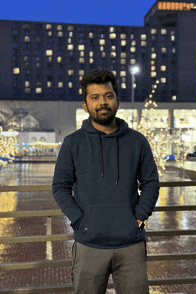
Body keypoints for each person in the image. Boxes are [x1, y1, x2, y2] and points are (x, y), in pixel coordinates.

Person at [52, 69, 160, 294]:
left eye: (108, 96)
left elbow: (150, 182)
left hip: (130, 244)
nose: (103, 102)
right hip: (89, 243)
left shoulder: (137, 141)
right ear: (85, 105)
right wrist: (80, 221)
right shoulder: (73, 143)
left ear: (117, 100)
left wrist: (139, 217)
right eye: (95, 97)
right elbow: (60, 187)